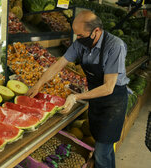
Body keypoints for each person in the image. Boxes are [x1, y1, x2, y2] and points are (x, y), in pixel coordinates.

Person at [26, 10, 129, 168]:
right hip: (95, 98)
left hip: (113, 101)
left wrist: (76, 97)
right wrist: (38, 84)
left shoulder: (115, 46)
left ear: (96, 31)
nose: (77, 39)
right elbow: (58, 65)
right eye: (76, 35)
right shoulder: (80, 43)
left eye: (80, 35)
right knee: (104, 147)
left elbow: (108, 87)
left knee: (102, 150)